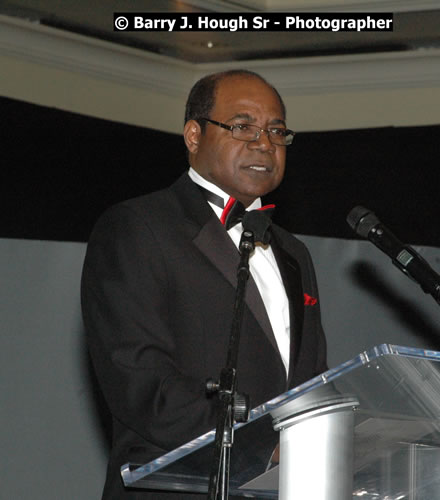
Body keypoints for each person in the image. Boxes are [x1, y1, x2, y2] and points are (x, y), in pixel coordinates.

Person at [81, 69, 328, 499]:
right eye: (242, 126)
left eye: (276, 130)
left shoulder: (293, 253)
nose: (264, 143)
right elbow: (140, 380)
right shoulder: (138, 227)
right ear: (194, 135)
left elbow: (309, 381)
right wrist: (266, 447)